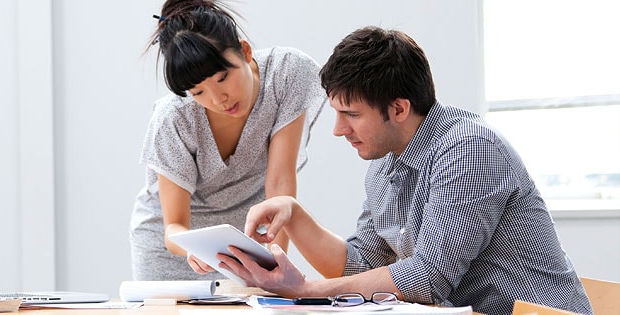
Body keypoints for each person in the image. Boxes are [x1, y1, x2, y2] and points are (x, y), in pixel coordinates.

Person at [216, 26, 593, 315]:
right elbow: (361, 265)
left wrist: (305, 290)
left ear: (398, 108)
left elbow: (428, 279)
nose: (338, 129)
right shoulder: (384, 162)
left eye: (351, 114)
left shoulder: (469, 149)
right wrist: (293, 215)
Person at [130, 0, 326, 281]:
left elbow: (280, 186)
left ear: (245, 51)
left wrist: (274, 265)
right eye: (198, 92)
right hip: (182, 252)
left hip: (246, 247)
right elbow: (173, 226)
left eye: (223, 77)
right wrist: (195, 249)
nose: (217, 99)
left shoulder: (286, 74)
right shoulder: (174, 118)